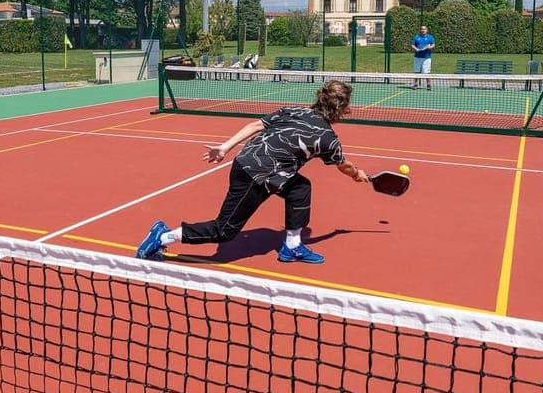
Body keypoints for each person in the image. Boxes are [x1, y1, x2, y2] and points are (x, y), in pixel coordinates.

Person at [135, 80, 370, 264]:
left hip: (255, 164)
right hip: (255, 174)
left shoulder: (293, 110)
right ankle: (163, 236)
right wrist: (357, 174)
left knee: (300, 188)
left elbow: (254, 126)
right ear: (341, 109)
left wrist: (226, 147)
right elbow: (343, 165)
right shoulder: (328, 139)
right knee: (224, 230)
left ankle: (292, 246)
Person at [411, 25, 436, 90]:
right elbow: (412, 45)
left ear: (427, 30)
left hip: (427, 58)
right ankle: (415, 85)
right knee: (416, 72)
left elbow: (433, 45)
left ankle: (428, 85)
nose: (423, 30)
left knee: (427, 72)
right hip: (417, 57)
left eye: (424, 29)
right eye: (422, 29)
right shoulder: (416, 37)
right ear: (420, 30)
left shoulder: (430, 37)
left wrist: (429, 47)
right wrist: (416, 49)